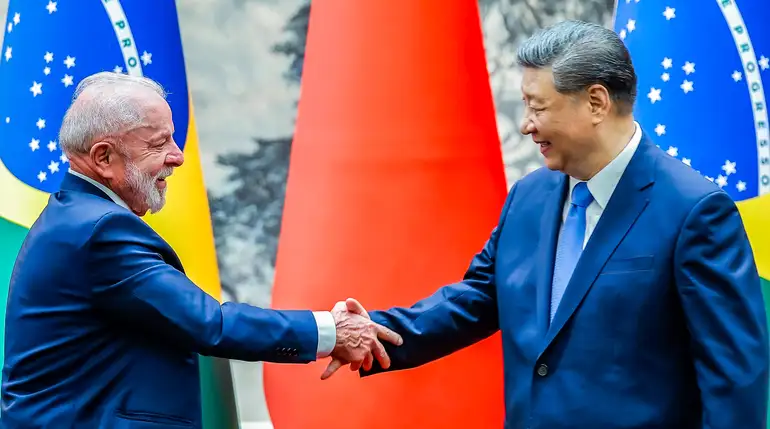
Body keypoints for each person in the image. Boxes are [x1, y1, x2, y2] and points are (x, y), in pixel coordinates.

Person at [322, 20, 770, 429]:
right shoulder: (528, 197)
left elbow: (734, 381)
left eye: (537, 108)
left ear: (596, 102)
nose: (525, 126)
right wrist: (367, 333)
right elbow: (476, 300)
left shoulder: (694, 211)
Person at [0, 72, 402, 428]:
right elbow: (210, 324)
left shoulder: (75, 217)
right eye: (159, 143)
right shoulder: (102, 230)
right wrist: (331, 331)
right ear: (104, 157)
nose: (177, 156)